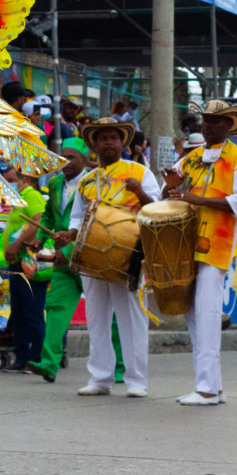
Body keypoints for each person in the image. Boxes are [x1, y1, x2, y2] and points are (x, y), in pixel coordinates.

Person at [54, 118, 161, 398]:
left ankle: (137, 381)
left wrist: (140, 192)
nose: (109, 142)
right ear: (95, 145)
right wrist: (71, 232)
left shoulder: (139, 172)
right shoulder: (86, 180)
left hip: (130, 255)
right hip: (91, 253)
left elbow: (157, 208)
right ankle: (100, 378)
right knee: (96, 317)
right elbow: (77, 215)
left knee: (131, 318)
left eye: (114, 137)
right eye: (103, 138)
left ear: (123, 142)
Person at [162, 100, 237, 406]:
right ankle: (212, 387)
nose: (207, 125)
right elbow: (167, 195)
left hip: (215, 246)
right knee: (195, 317)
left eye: (216, 121)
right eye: (205, 119)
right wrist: (170, 187)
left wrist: (197, 198)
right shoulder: (190, 158)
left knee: (206, 315)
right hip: (186, 244)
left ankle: (206, 389)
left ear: (229, 126)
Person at [25, 138, 90, 382]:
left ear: (85, 159)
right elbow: (50, 218)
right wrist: (41, 239)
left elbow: (95, 222)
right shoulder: (54, 183)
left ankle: (119, 368)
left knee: (106, 313)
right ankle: (49, 364)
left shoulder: (93, 183)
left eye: (72, 157)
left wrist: (71, 247)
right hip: (62, 259)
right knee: (54, 308)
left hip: (88, 257)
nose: (66, 162)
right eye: (63, 157)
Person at [0, 165, 48, 373]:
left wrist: (17, 243)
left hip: (28, 264)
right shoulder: (18, 199)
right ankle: (21, 358)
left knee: (33, 312)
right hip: (15, 264)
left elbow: (38, 222)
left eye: (11, 179)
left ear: (24, 180)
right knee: (19, 313)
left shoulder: (32, 196)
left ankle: (35, 358)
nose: (8, 184)